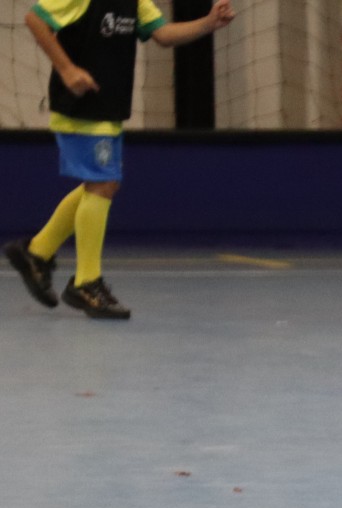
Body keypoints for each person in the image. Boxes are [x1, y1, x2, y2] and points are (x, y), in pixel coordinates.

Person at [4, 0, 233, 320]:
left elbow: (163, 34)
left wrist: (208, 23)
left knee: (99, 184)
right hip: (80, 107)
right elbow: (35, 20)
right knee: (103, 184)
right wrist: (68, 69)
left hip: (108, 108)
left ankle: (36, 253)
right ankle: (86, 281)